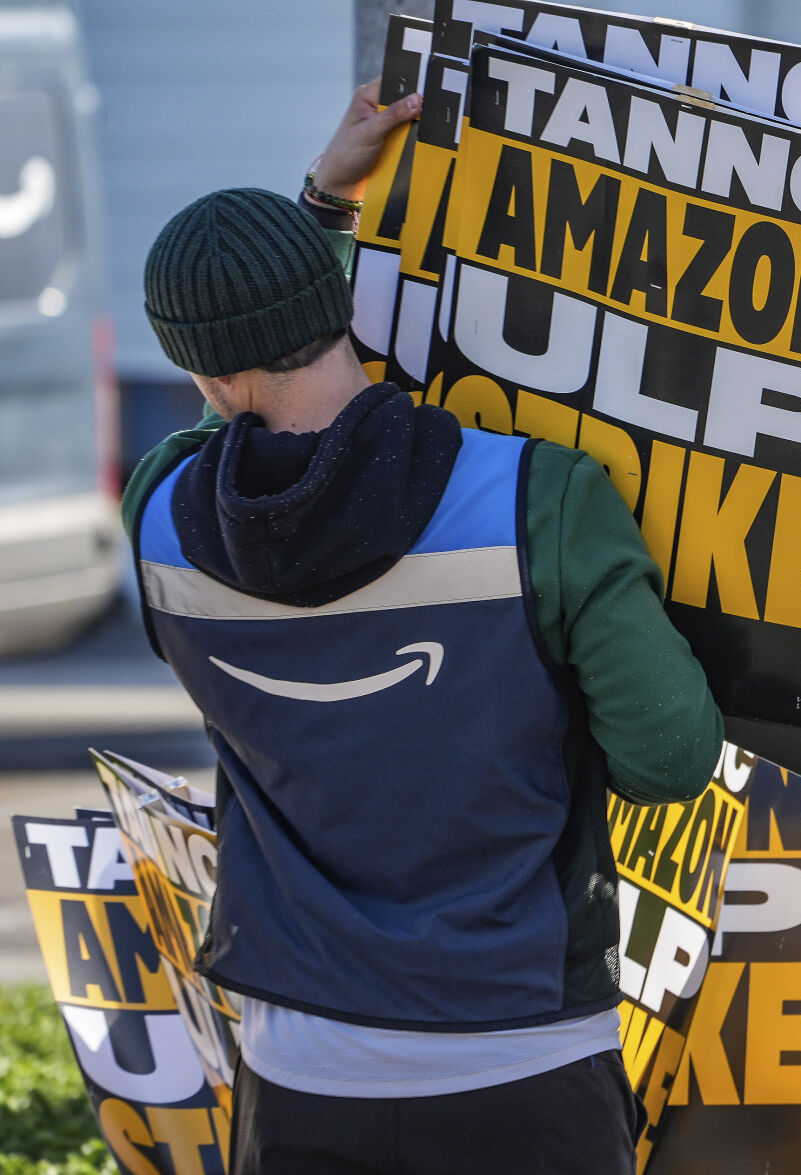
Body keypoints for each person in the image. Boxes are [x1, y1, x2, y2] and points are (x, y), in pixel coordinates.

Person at [121, 83, 724, 1175]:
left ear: (197, 371)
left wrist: (319, 207)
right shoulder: (539, 496)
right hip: (528, 1060)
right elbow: (672, 761)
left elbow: (253, 390)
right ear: (334, 306)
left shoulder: (159, 520)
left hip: (300, 1073)